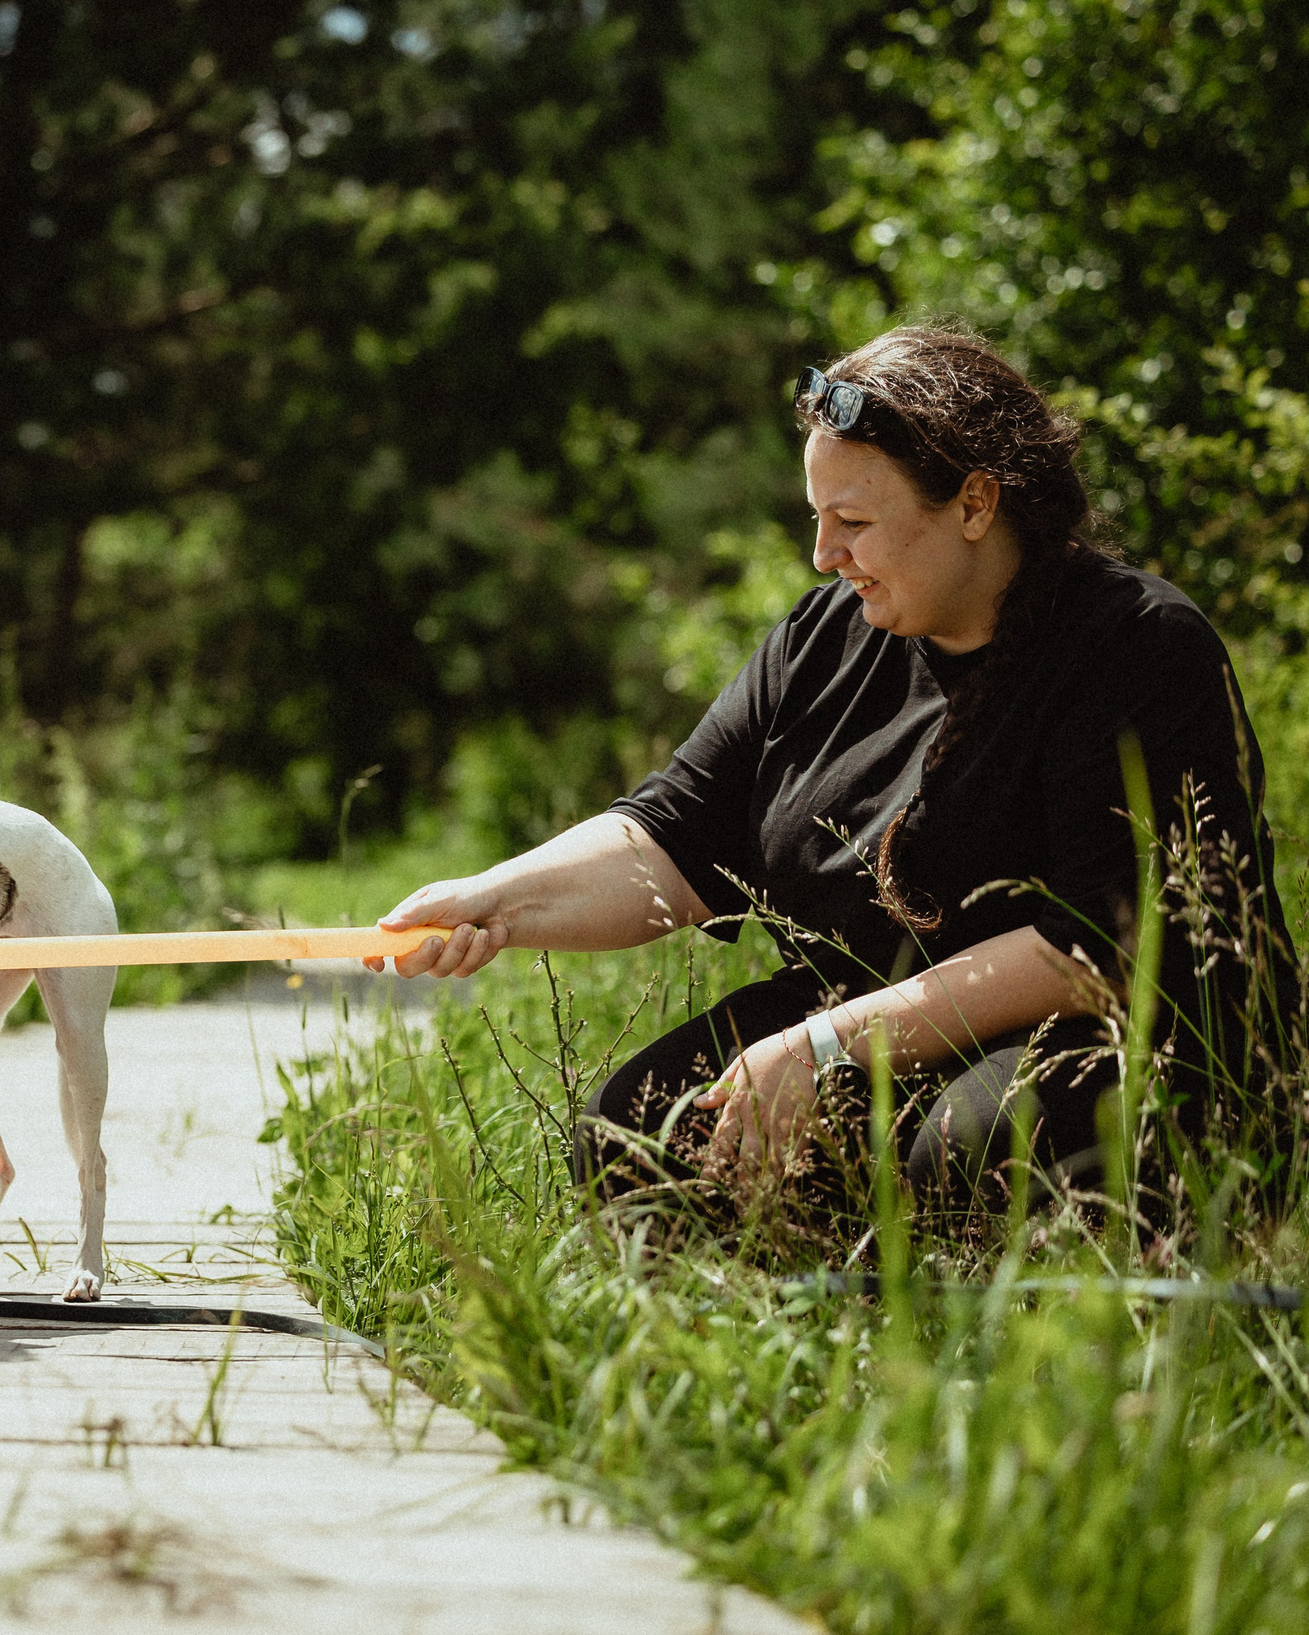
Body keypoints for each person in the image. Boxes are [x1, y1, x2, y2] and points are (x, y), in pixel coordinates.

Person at [370, 326, 1292, 1211]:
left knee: (973, 1145)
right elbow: (672, 838)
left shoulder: (1135, 647)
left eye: (853, 520)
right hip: (863, 1020)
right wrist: (492, 899)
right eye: (818, 518)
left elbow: (1100, 948)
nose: (824, 555)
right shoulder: (823, 640)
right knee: (641, 1133)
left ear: (975, 503)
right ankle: (770, 1336)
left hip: (1121, 1040)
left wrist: (826, 1047)